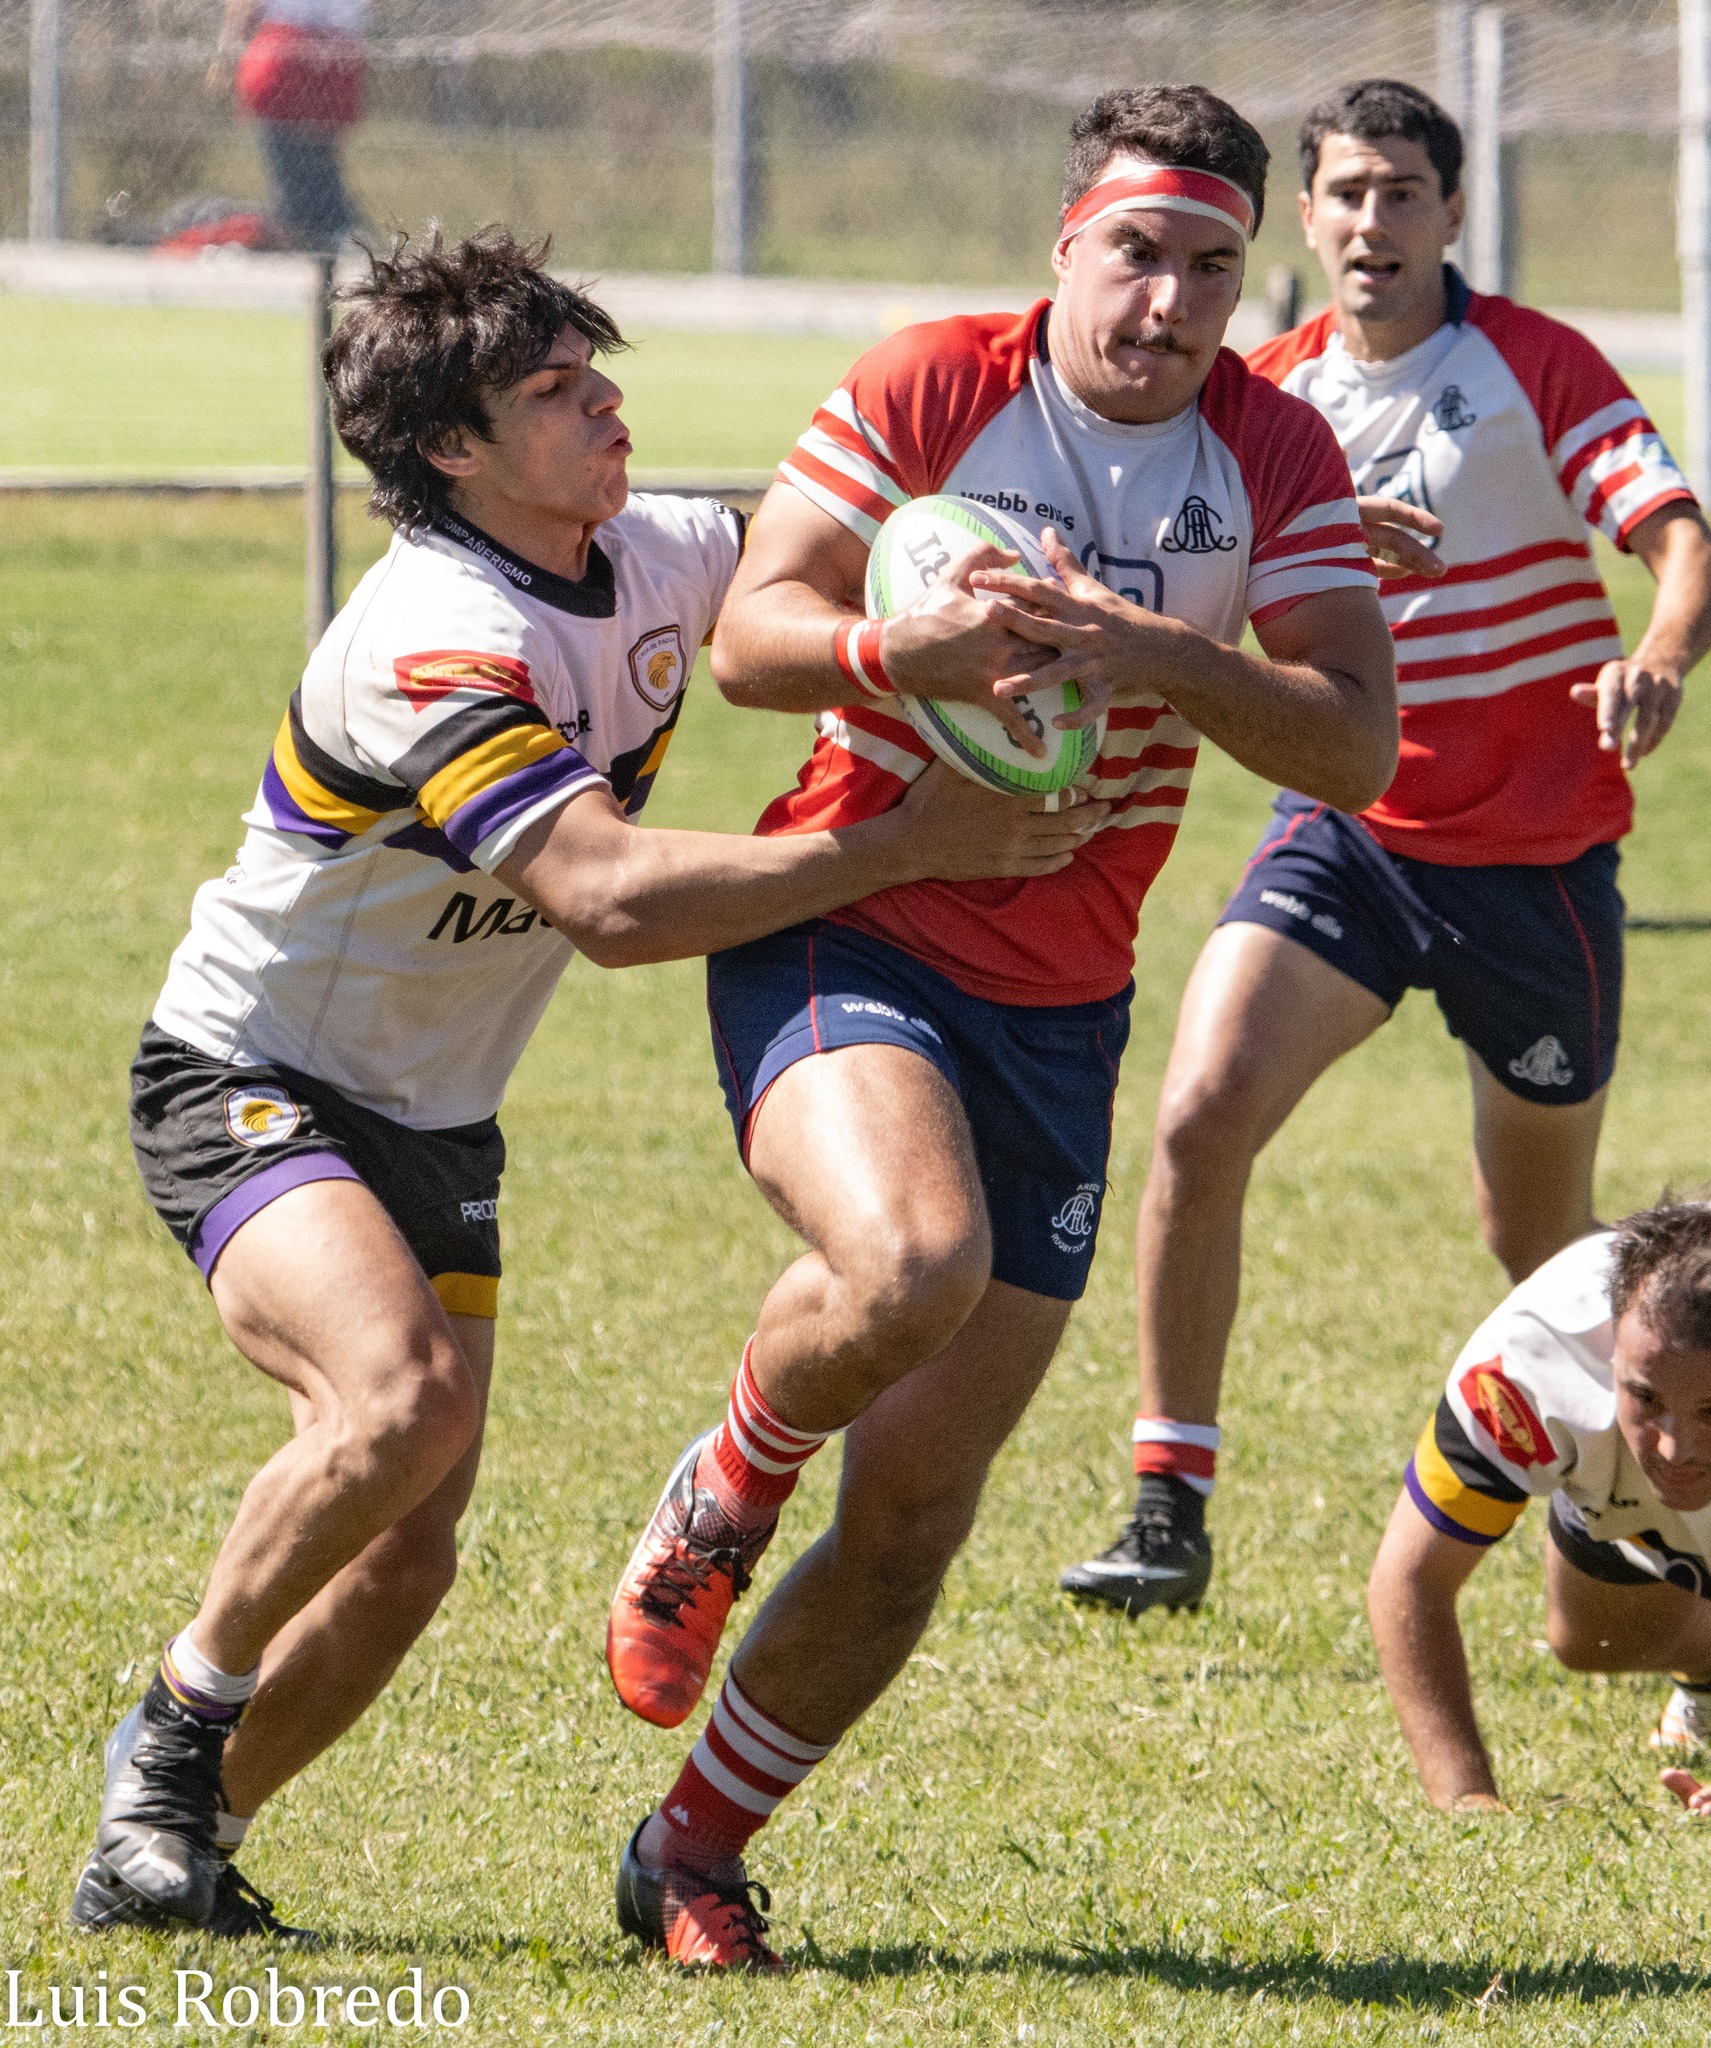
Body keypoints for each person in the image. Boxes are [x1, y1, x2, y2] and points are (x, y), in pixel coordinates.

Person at [70, 228, 1090, 1942]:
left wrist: (1193, 584)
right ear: (451, 449)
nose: (608, 400)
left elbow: (861, 544)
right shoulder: (433, 638)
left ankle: (175, 1850)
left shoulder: (660, 556)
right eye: (555, 389)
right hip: (252, 1076)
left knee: (408, 1547)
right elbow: (609, 900)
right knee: (394, 1403)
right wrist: (903, 840)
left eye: (598, 368)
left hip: (434, 1117)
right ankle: (172, 1733)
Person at [602, 84, 1399, 1971]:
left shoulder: (1268, 454)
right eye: (1137, 251)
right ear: (1067, 245)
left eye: (1214, 265)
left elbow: (1354, 741)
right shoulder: (934, 385)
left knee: (916, 1519)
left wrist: (1157, 650)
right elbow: (756, 634)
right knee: (912, 1261)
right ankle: (720, 1485)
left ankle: (691, 1851)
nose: (1171, 301)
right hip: (849, 915)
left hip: (1064, 1006)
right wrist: (914, 654)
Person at [1061, 78, 1711, 1620]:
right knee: (1198, 1116)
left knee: (1538, 1242)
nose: (1371, 222)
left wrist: (1661, 655)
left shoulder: (1531, 365)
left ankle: (1608, 1508)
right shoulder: (1267, 394)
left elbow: (1672, 531)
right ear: (1304, 216)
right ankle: (1167, 1500)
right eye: (1345, 193)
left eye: (1400, 192)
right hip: (1347, 834)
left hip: (1537, 860)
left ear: (1448, 212)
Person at [1369, 1199, 1711, 1814]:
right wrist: (1468, 1801)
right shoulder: (1534, 1353)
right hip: (1634, 1511)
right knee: (1591, 1640)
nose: (1673, 1446)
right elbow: (1414, 1577)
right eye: (1644, 1397)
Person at [210, 0, 368, 252]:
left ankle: (318, 237)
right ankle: (335, 236)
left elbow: (245, 7)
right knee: (319, 168)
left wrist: (225, 61)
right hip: (339, 60)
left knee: (294, 174)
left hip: (285, 57)